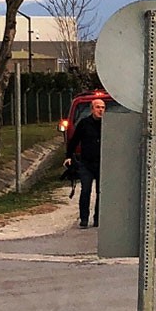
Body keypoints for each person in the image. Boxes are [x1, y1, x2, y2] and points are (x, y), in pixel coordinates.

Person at [67, 97, 104, 227]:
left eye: (103, 107)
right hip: (86, 163)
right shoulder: (84, 123)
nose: (101, 110)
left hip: (103, 163)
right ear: (92, 109)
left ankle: (98, 219)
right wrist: (69, 156)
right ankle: (84, 219)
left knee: (102, 192)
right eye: (98, 107)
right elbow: (74, 140)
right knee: (86, 190)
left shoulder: (107, 124)